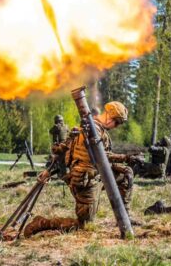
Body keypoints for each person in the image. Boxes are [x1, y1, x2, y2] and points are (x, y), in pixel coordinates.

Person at [23, 101, 137, 237]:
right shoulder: (91, 131)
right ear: (109, 116)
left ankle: (124, 220)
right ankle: (42, 223)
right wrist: (126, 157)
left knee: (125, 175)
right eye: (116, 122)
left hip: (97, 174)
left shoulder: (97, 128)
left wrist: (126, 162)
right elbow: (101, 155)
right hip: (84, 179)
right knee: (84, 225)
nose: (116, 126)